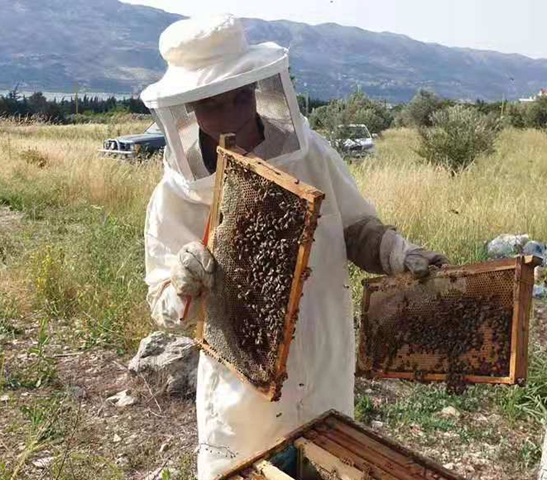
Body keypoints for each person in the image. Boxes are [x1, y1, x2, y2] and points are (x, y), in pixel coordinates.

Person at [140, 14, 448, 480]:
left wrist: (397, 255)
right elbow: (165, 303)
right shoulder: (176, 193)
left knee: (325, 462)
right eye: (214, 103)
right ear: (189, 108)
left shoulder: (311, 152)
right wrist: (183, 282)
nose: (233, 113)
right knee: (244, 467)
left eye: (240, 95)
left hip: (322, 353)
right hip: (243, 386)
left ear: (256, 87)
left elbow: (356, 228)